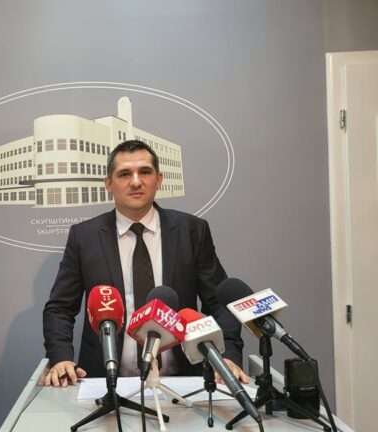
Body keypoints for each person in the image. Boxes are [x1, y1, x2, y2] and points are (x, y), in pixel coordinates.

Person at [42, 139, 247, 387]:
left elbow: (219, 303)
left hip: (182, 382)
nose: (136, 181)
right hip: (106, 383)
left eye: (145, 172)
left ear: (159, 179)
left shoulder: (192, 231)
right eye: (124, 174)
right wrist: (61, 358)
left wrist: (228, 356)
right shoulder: (84, 236)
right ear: (109, 183)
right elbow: (60, 308)